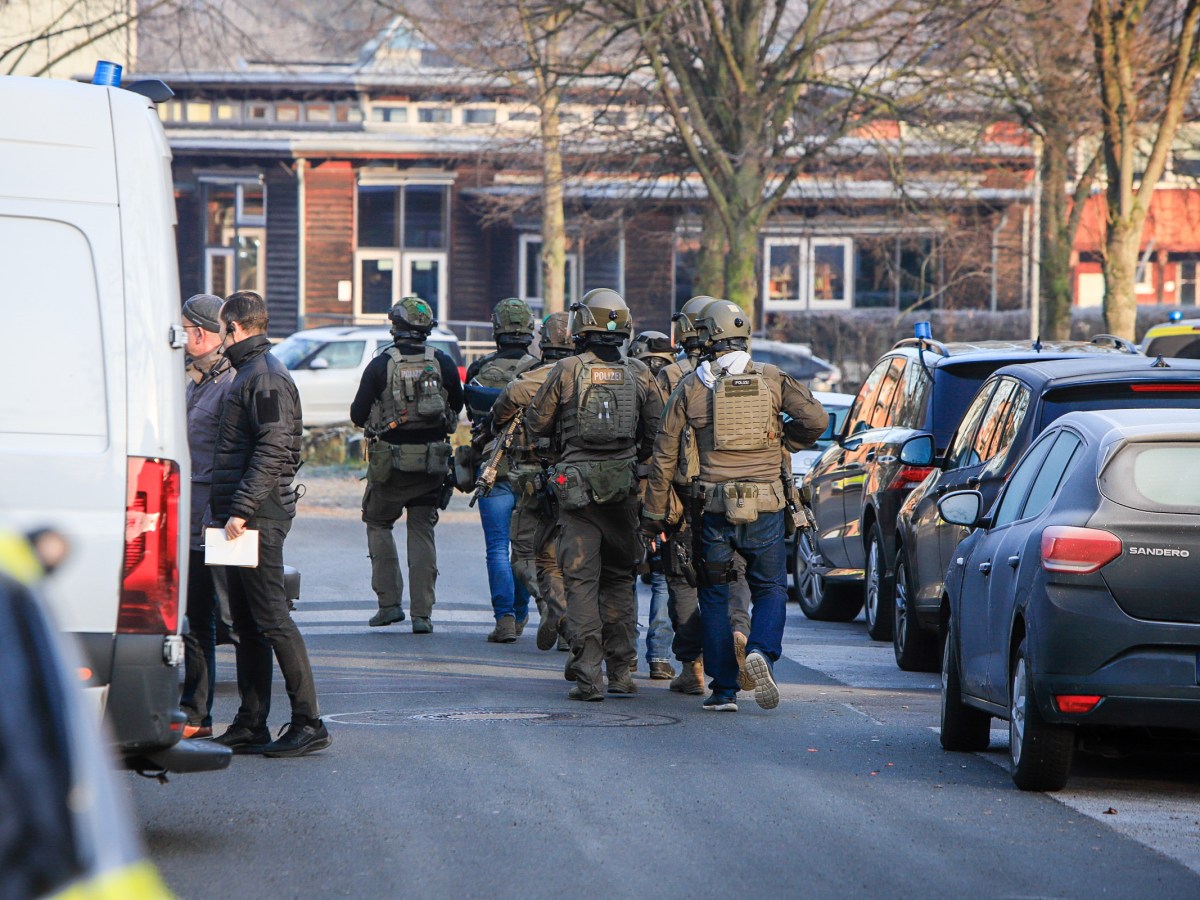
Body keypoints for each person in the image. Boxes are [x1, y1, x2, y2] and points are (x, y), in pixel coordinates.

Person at [642, 299, 828, 712]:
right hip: (765, 504)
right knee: (770, 587)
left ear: (706, 337)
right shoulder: (773, 378)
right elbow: (817, 421)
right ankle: (762, 650)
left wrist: (653, 516)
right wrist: (782, 441)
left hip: (713, 509)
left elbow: (664, 457)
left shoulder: (690, 386)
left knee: (713, 594)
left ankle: (724, 688)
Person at [525, 289, 663, 701]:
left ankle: (589, 676)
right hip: (624, 491)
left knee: (581, 582)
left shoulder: (566, 370)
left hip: (577, 493)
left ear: (581, 325)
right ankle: (622, 672)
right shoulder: (640, 373)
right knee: (620, 580)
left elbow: (536, 423)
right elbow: (656, 435)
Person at [210, 290, 330, 756]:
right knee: (247, 621)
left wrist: (239, 509)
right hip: (241, 515)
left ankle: (309, 722)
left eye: (222, 329)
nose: (221, 337)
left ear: (235, 328)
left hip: (257, 515)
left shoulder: (265, 378)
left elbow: (273, 447)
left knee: (273, 618)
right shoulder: (249, 372)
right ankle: (250, 722)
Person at [655, 296, 753, 696]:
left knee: (683, 581)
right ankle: (738, 630)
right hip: (742, 495)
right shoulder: (754, 374)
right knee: (735, 575)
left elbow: (657, 442)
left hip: (685, 499)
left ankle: (691, 665)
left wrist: (653, 509)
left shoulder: (674, 377)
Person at [351, 295, 464, 634]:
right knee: (422, 531)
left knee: (378, 522)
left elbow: (358, 414)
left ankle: (388, 606)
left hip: (391, 468)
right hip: (432, 466)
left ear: (395, 327)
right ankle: (422, 615)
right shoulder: (441, 361)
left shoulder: (380, 364)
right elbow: (457, 404)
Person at [490, 312, 573, 652]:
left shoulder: (528, 382)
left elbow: (499, 415)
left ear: (545, 342)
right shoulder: (602, 377)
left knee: (525, 552)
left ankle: (559, 611)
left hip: (536, 478)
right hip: (586, 479)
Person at [464, 298, 540, 644]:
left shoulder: (481, 369)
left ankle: (505, 619)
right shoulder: (542, 370)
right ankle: (522, 613)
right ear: (529, 330)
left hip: (493, 470)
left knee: (496, 547)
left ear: (496, 330)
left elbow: (471, 415)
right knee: (523, 550)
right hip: (531, 472)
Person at [179, 293, 235, 739]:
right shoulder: (197, 379)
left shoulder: (230, 382)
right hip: (193, 519)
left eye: (184, 330)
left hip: (221, 520)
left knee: (239, 621)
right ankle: (197, 715)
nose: (179, 338)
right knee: (199, 617)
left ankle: (253, 718)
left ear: (201, 333)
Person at [628, 331, 679, 681]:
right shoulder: (685, 378)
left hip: (627, 486)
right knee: (663, 574)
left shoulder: (626, 376)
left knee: (623, 575)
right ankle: (660, 657)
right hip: (669, 490)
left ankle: (625, 655)